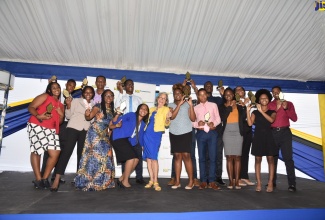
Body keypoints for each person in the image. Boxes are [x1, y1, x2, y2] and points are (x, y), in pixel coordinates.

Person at [51, 86, 95, 191]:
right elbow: (69, 115)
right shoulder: (75, 100)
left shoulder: (95, 105)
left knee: (81, 155)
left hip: (85, 130)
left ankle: (78, 179)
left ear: (93, 94)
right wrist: (69, 106)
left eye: (90, 92)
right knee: (66, 152)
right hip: (73, 128)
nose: (88, 94)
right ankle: (56, 179)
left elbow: (92, 121)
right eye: (86, 92)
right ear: (83, 93)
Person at [74, 89, 116, 191]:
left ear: (113, 98)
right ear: (103, 97)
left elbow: (110, 125)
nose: (109, 97)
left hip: (104, 134)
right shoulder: (98, 106)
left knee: (107, 156)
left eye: (111, 96)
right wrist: (87, 114)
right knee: (95, 157)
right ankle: (91, 181)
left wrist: (116, 125)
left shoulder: (112, 110)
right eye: (106, 95)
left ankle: (104, 181)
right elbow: (89, 117)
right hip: (94, 133)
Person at [27, 82, 64, 189]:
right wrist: (39, 116)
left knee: (56, 152)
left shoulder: (61, 105)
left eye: (58, 87)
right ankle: (38, 179)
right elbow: (31, 107)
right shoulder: (45, 96)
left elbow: (60, 122)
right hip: (37, 125)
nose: (56, 89)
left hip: (52, 129)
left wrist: (61, 115)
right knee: (36, 151)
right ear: (49, 90)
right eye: (54, 87)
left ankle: (44, 178)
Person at [41, 79, 76, 183]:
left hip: (66, 125)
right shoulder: (57, 94)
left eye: (73, 86)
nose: (71, 87)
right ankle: (44, 174)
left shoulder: (73, 98)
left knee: (63, 151)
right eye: (70, 85)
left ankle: (56, 175)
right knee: (49, 150)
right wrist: (49, 85)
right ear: (66, 85)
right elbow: (47, 100)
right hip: (55, 124)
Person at [168, 80, 200, 187]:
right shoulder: (170, 105)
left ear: (182, 94)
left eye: (179, 93)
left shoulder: (187, 104)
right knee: (177, 156)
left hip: (186, 133)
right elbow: (172, 116)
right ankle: (177, 181)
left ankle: (191, 181)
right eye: (175, 94)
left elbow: (193, 118)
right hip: (174, 133)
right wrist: (179, 105)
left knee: (187, 156)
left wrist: (190, 106)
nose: (177, 95)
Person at [115, 79, 145, 184]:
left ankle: (139, 177)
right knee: (126, 155)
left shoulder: (139, 99)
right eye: (128, 84)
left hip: (136, 129)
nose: (130, 86)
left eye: (132, 84)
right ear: (124, 86)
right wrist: (120, 92)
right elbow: (117, 108)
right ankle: (124, 177)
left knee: (138, 154)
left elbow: (143, 112)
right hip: (125, 129)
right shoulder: (121, 96)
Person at [246, 89, 277, 192]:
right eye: (262, 98)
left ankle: (270, 183)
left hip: (269, 137)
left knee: (270, 160)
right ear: (258, 100)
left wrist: (261, 111)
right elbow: (250, 124)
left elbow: (271, 120)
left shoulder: (272, 112)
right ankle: (258, 182)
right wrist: (247, 110)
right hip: (258, 137)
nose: (264, 99)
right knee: (258, 160)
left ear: (269, 100)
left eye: (266, 98)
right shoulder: (255, 112)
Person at [112, 104, 149, 188]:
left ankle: (121, 178)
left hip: (126, 140)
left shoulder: (143, 123)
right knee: (131, 158)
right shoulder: (131, 115)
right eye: (142, 108)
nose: (143, 110)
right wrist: (117, 114)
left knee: (136, 160)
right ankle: (125, 181)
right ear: (138, 109)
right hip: (118, 137)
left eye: (145, 109)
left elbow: (141, 136)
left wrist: (142, 146)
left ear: (147, 113)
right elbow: (115, 121)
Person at [268, 86, 298, 192]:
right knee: (272, 159)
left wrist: (286, 108)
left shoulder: (289, 104)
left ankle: (292, 184)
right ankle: (272, 182)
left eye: (277, 92)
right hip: (273, 133)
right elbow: (268, 119)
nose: (275, 93)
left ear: (281, 93)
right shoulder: (269, 104)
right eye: (273, 92)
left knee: (288, 159)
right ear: (272, 94)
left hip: (285, 133)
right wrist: (277, 108)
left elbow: (294, 118)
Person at [193, 88, 221, 190]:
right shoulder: (195, 108)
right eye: (200, 95)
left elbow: (218, 118)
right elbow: (192, 122)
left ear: (207, 95)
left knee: (213, 158)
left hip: (212, 133)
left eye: (204, 94)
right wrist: (197, 124)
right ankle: (203, 181)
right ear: (198, 96)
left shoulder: (213, 105)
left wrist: (214, 123)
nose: (203, 96)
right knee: (202, 158)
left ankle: (212, 181)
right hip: (201, 133)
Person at [143, 92, 172, 191]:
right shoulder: (150, 109)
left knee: (154, 158)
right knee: (149, 159)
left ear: (166, 101)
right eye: (161, 97)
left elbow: (167, 124)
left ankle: (156, 181)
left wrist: (168, 118)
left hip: (156, 135)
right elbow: (145, 121)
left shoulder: (166, 109)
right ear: (157, 98)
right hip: (147, 134)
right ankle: (151, 180)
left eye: (164, 98)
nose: (162, 99)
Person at [219, 87, 247, 189]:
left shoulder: (239, 105)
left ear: (234, 95)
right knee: (229, 157)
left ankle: (237, 181)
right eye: (226, 94)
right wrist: (230, 107)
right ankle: (231, 181)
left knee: (238, 157)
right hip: (227, 132)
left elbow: (243, 118)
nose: (228, 96)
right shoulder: (222, 106)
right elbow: (223, 117)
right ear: (224, 95)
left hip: (238, 131)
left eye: (230, 94)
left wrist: (243, 107)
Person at [204, 81, 225, 186]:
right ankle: (208, 177)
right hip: (206, 131)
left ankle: (218, 177)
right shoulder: (201, 100)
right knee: (207, 154)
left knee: (218, 154)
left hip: (217, 131)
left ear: (213, 88)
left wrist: (222, 93)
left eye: (210, 86)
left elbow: (226, 101)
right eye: (207, 86)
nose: (208, 87)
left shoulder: (217, 99)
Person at [234, 86, 255, 186]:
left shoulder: (251, 100)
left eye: (241, 89)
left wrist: (249, 103)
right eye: (237, 90)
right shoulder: (234, 103)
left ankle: (244, 176)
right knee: (237, 154)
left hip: (248, 129)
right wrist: (242, 105)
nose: (240, 91)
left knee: (245, 154)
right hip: (239, 130)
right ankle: (236, 178)